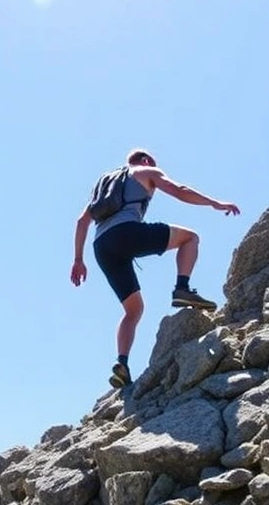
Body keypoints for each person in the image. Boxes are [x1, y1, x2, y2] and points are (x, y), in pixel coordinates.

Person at [70, 149, 241, 389]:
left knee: (134, 309)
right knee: (190, 238)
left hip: (102, 247)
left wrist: (78, 259)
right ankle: (182, 288)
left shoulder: (106, 183)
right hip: (126, 233)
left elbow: (81, 222)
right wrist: (214, 203)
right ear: (146, 160)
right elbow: (179, 190)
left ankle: (122, 364)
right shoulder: (146, 170)